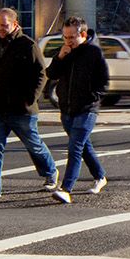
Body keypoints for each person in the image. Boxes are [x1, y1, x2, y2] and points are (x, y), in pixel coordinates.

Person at [0, 7, 58, 201]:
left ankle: (50, 172)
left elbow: (41, 74)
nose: (0, 29)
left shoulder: (27, 45)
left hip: (21, 109)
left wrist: (30, 98)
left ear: (15, 24)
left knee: (34, 145)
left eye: (4, 25)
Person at [45, 17, 109, 202]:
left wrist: (93, 96)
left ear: (82, 34)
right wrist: (60, 57)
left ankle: (66, 189)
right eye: (65, 37)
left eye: (71, 37)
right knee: (84, 146)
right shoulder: (65, 51)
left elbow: (103, 80)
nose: (68, 41)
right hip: (67, 108)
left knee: (75, 147)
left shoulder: (93, 52)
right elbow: (51, 74)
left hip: (87, 108)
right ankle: (100, 176)